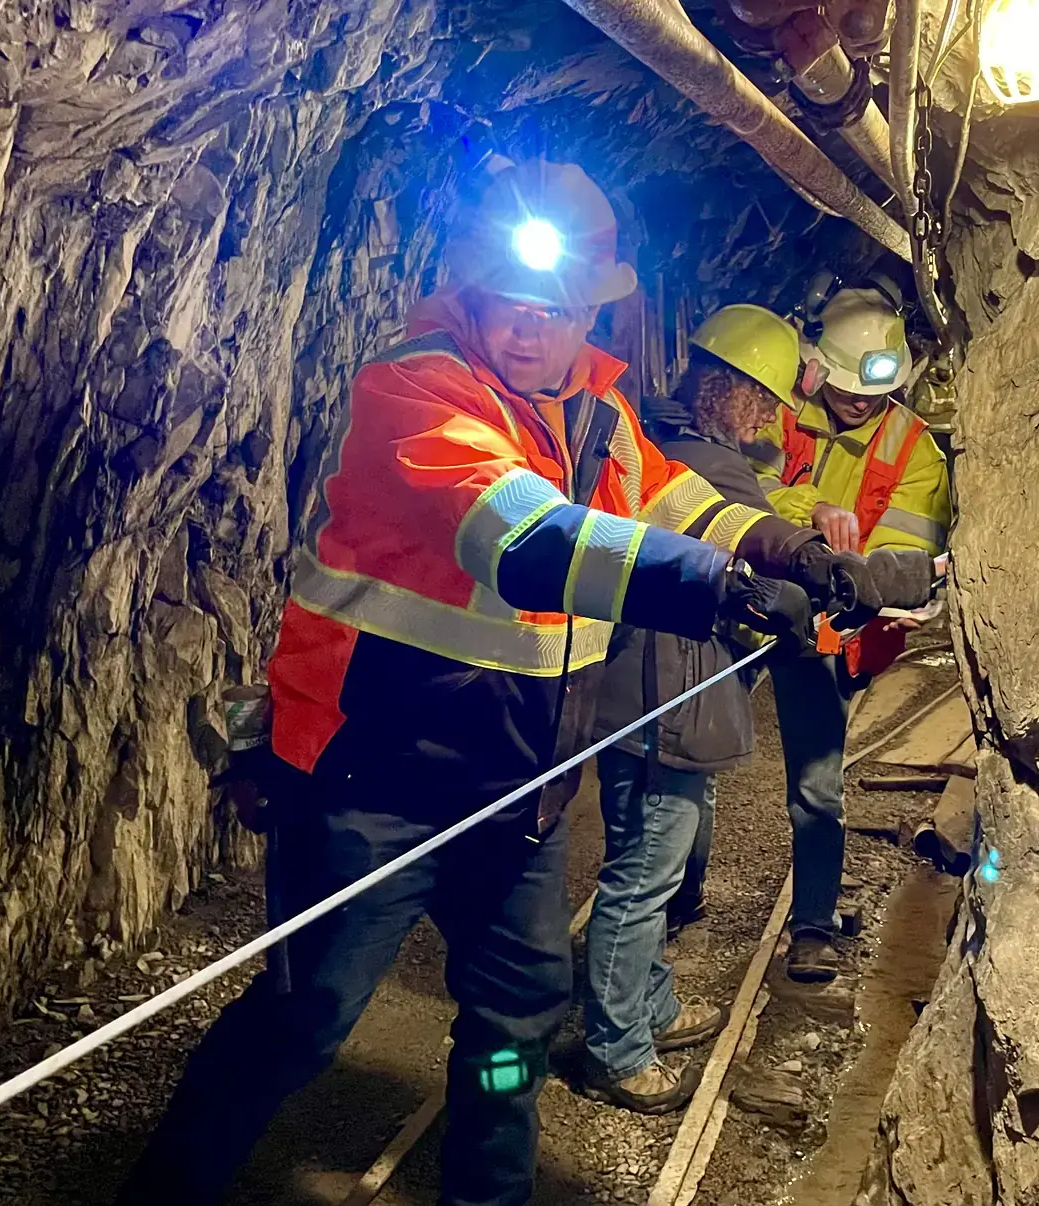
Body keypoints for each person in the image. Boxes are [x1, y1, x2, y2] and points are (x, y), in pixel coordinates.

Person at [116, 159, 889, 1206]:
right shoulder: (418, 392)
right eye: (509, 304)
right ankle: (165, 1189)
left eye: (553, 311)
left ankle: (486, 1191)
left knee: (515, 1021)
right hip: (372, 789)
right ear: (476, 293)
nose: (526, 330)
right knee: (305, 1021)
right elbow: (522, 539)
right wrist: (715, 590)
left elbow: (680, 506)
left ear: (585, 316)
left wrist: (788, 552)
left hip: (518, 791)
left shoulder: (598, 419)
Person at [581, 304, 831, 1113]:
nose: (767, 417)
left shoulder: (672, 444)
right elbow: (760, 562)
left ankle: (648, 1008)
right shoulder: (706, 468)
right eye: (759, 399)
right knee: (644, 872)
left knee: (655, 857)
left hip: (657, 688)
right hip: (662, 697)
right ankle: (615, 1049)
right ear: (723, 386)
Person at [750, 286, 952, 983]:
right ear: (819, 367)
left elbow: (899, 561)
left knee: (816, 785)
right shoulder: (773, 410)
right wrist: (811, 510)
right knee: (691, 764)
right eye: (844, 386)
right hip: (739, 602)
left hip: (827, 629)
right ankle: (680, 900)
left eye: (873, 390)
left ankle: (812, 925)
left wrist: (859, 582)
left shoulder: (915, 450)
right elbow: (732, 491)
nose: (859, 402)